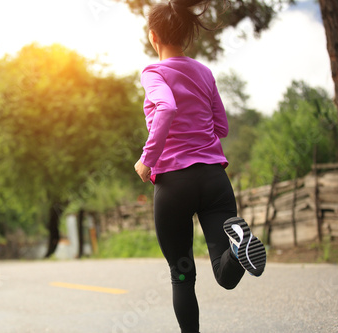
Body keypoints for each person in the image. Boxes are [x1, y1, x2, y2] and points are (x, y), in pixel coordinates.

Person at [133, 1, 267, 332]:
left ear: (154, 37)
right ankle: (238, 251)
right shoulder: (204, 73)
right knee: (225, 275)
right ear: (186, 36)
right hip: (213, 181)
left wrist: (146, 160)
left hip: (174, 185)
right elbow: (221, 126)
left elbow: (166, 108)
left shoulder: (154, 73)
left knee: (182, 277)